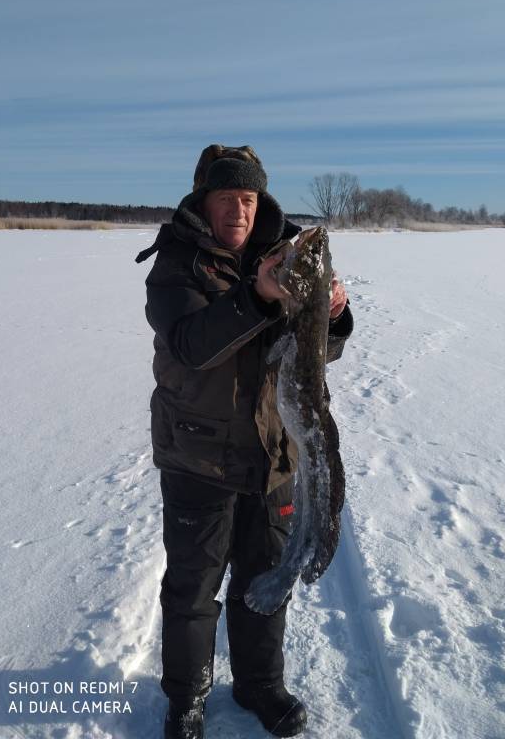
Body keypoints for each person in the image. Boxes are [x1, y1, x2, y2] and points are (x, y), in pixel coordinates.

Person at [135, 145, 353, 739]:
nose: (239, 209)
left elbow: (314, 355)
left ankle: (259, 683)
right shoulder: (176, 264)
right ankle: (187, 697)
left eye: (249, 198)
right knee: (193, 590)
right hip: (197, 456)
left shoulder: (282, 256)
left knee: (266, 577)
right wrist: (256, 296)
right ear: (204, 200)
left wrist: (331, 314)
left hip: (274, 456)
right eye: (228, 197)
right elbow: (194, 346)